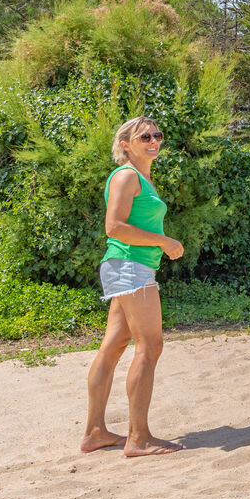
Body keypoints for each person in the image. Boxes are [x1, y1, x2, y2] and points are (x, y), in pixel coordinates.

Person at [81, 116, 186, 457]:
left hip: (125, 267)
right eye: (145, 136)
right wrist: (163, 240)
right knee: (150, 346)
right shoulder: (127, 175)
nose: (154, 139)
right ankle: (138, 438)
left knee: (114, 345)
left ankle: (95, 432)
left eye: (158, 134)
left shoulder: (142, 178)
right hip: (130, 268)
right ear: (126, 145)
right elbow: (114, 226)